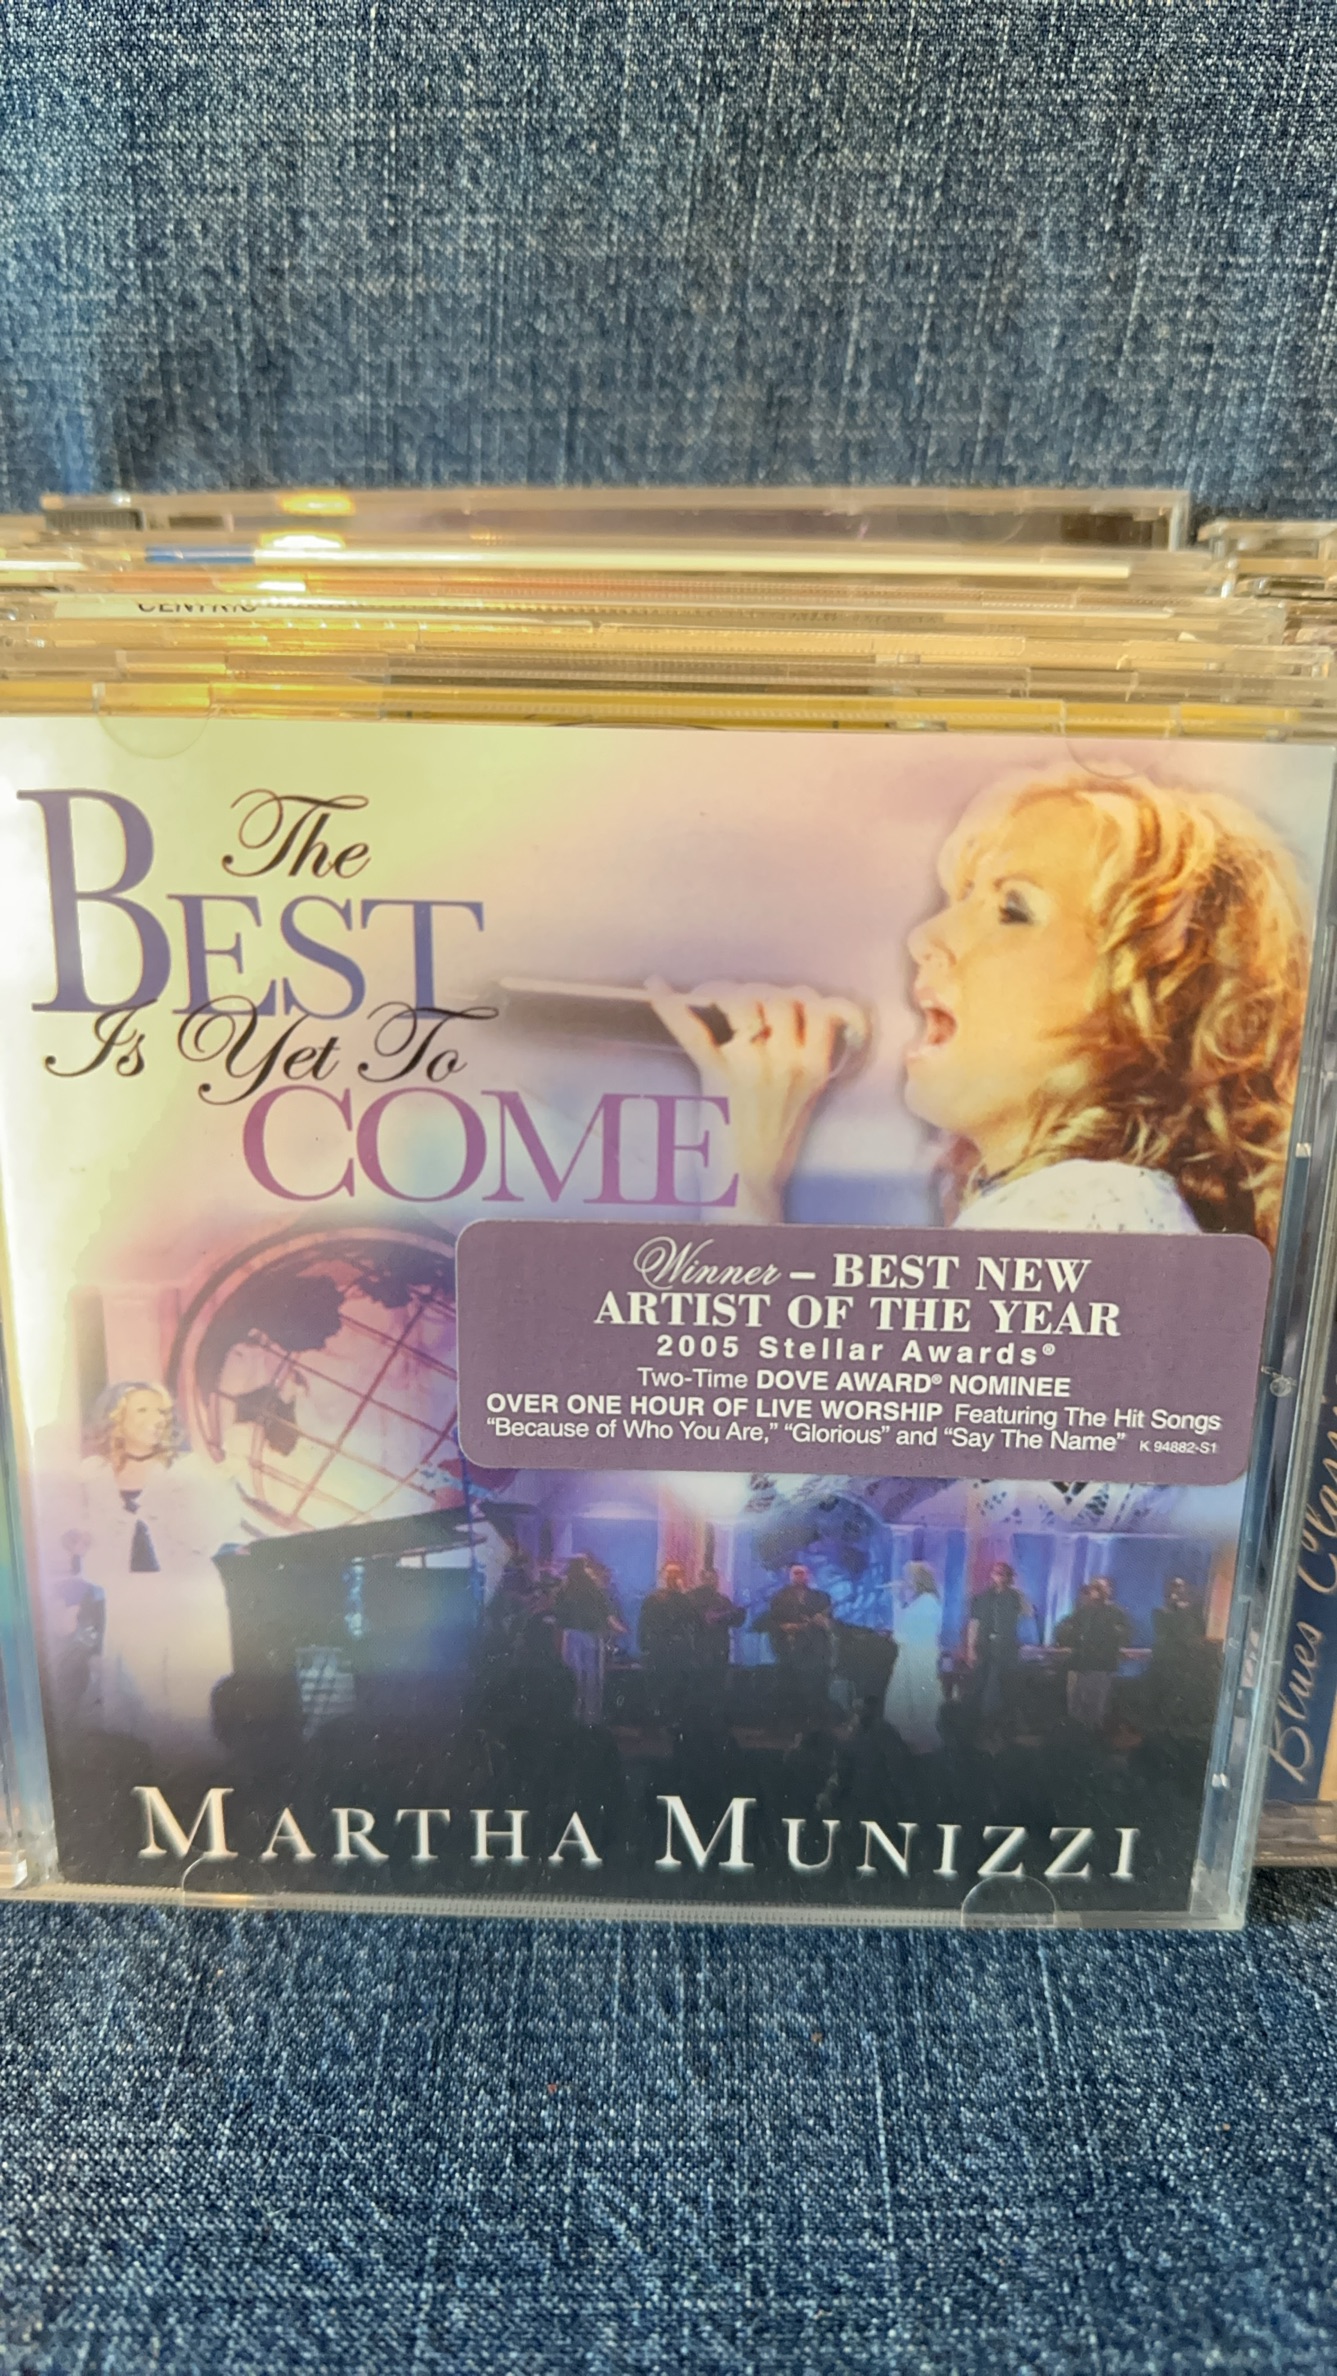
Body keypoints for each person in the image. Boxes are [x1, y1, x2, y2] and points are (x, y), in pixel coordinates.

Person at [646, 763, 1307, 1248]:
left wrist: (743, 1184)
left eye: (1012, 909)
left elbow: (776, 1405)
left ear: (1152, 1006)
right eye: (960, 898)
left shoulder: (1090, 1209)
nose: (925, 938)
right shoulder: (1090, 1211)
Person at [61, 1381, 241, 1757]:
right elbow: (77, 1530)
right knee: (136, 1693)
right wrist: (78, 1538)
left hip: (188, 1593)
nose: (156, 1419)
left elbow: (220, 1525)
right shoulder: (92, 1474)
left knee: (191, 1697)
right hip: (131, 1598)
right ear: (117, 1418)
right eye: (143, 1409)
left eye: (161, 1411)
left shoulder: (189, 1468)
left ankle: (195, 1778)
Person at [754, 1564, 834, 1724]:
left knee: (815, 1690)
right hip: (788, 1651)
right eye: (796, 1573)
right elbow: (769, 1621)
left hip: (814, 1651)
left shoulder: (821, 1597)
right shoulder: (779, 1597)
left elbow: (829, 1623)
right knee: (789, 1690)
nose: (799, 1576)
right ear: (790, 1576)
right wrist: (785, 1627)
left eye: (802, 1573)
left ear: (808, 1575)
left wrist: (822, 1622)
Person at [1053, 1575, 1133, 1729]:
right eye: (1094, 1588)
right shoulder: (1083, 1611)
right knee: (1077, 1711)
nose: (1097, 1592)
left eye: (1101, 1588)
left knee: (1096, 1712)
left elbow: (1125, 1635)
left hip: (1102, 1667)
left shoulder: (1116, 1612)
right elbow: (1064, 1632)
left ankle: (1094, 1736)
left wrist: (1109, 1635)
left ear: (1109, 1591)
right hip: (1081, 1666)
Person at [965, 1561, 1033, 1739]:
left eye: (1003, 1573)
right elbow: (974, 1623)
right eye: (996, 1573)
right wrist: (970, 1648)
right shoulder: (982, 1597)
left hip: (1007, 1648)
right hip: (985, 1647)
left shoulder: (1016, 1597)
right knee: (983, 1686)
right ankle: (982, 1727)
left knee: (1005, 1687)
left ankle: (1003, 1728)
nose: (999, 1577)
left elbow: (1028, 1616)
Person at [882, 1562, 944, 1753]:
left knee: (918, 1698)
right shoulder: (920, 1602)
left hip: (919, 1657)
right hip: (911, 1656)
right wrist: (897, 1599)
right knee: (906, 1699)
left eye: (909, 1577)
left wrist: (898, 1603)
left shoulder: (928, 1603)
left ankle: (922, 1744)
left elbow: (906, 1632)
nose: (906, 1581)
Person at [638, 1562, 702, 1730]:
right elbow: (644, 1625)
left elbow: (643, 1625)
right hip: (668, 1649)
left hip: (668, 1649)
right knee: (665, 1687)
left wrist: (644, 1645)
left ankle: (660, 1723)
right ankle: (663, 1723)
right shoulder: (670, 1599)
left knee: (666, 1687)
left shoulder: (680, 1599)